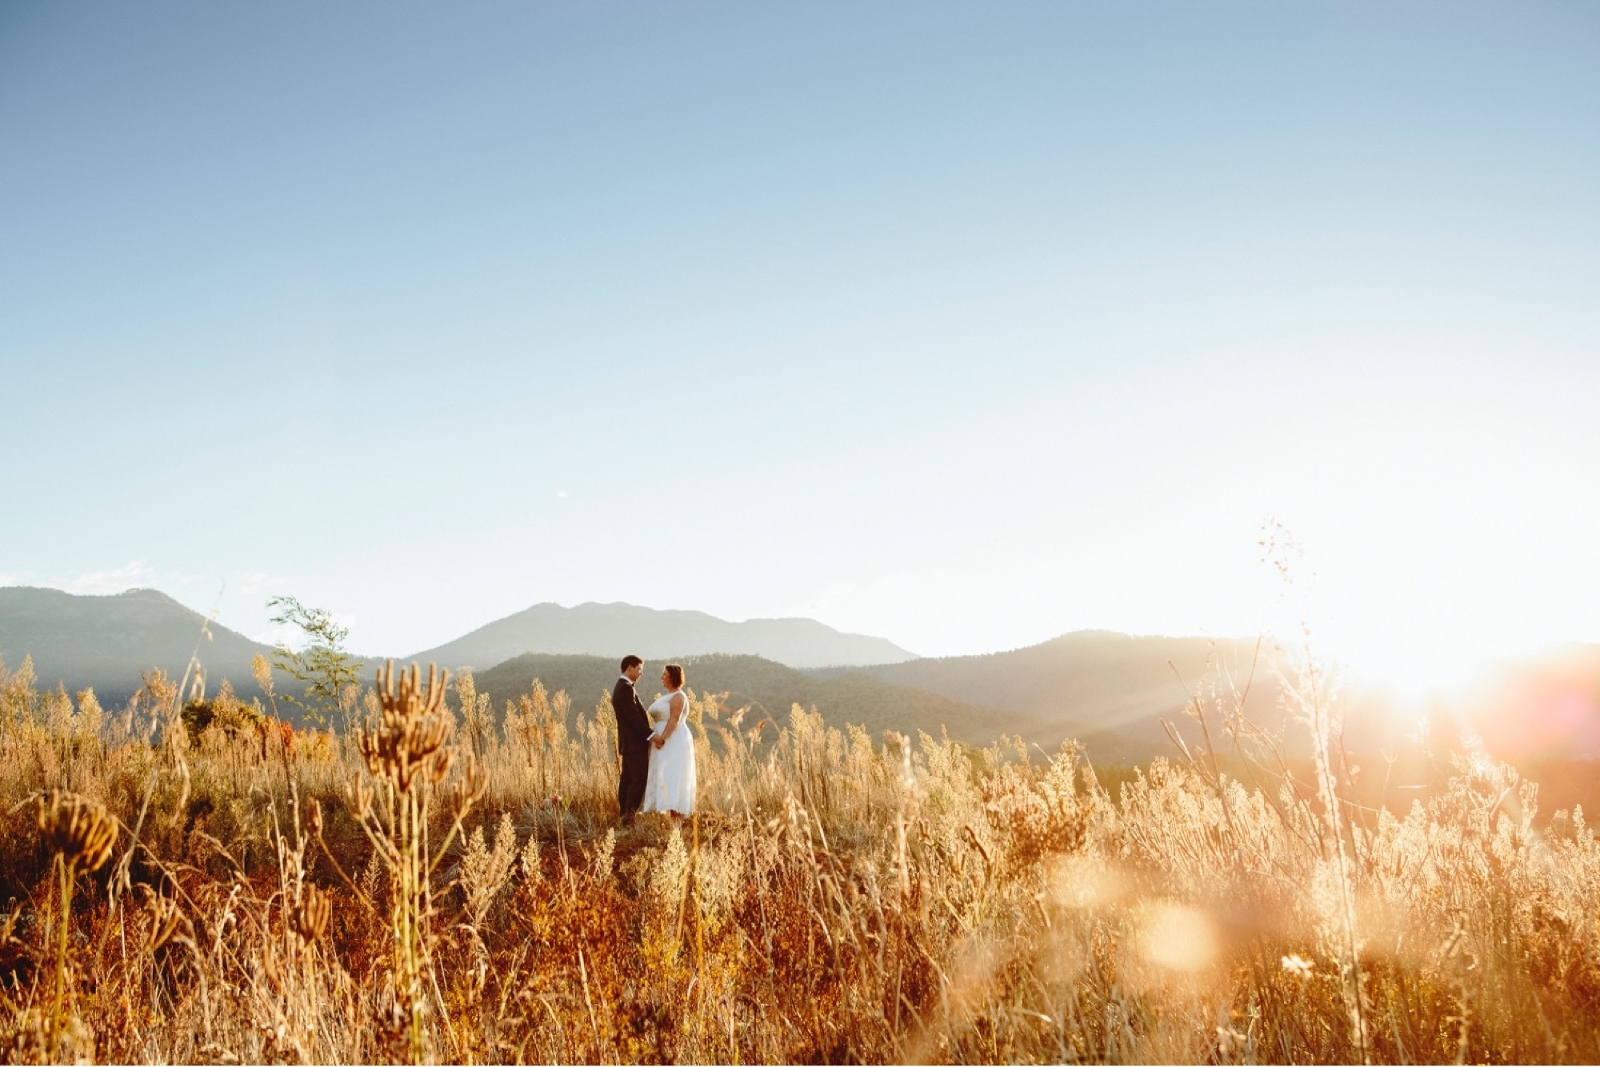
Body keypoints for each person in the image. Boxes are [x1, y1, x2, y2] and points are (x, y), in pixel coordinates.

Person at [640, 662, 696, 817]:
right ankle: (664, 815)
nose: (662, 677)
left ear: (673, 677)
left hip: (673, 739)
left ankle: (675, 816)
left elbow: (674, 719)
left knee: (672, 774)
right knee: (662, 774)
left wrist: (662, 738)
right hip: (660, 739)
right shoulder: (667, 696)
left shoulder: (678, 696)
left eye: (665, 674)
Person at [611, 655, 654, 820]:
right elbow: (633, 717)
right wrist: (650, 735)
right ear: (630, 667)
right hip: (634, 743)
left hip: (628, 742)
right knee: (639, 779)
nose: (641, 673)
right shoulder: (626, 688)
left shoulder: (622, 686)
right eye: (639, 669)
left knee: (628, 779)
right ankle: (628, 816)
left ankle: (624, 814)